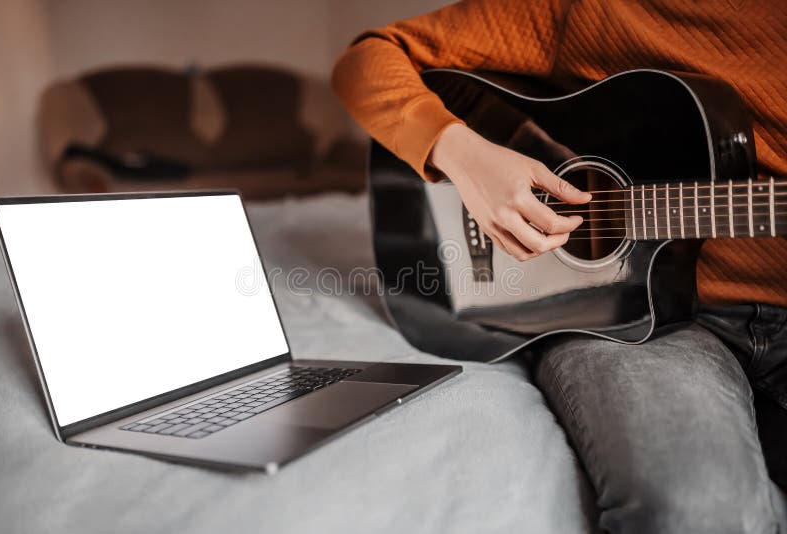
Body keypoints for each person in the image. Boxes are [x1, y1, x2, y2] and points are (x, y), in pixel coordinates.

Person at [332, 1, 787, 533]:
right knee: (696, 512)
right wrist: (462, 155)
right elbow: (363, 62)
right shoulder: (585, 8)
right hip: (631, 321)